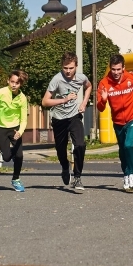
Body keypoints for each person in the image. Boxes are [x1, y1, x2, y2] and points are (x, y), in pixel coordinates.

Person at [96, 54, 133, 190]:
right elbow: (100, 108)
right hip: (118, 121)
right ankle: (126, 174)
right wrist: (103, 100)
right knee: (122, 149)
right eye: (113, 69)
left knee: (128, 145)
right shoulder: (104, 84)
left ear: (123, 68)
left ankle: (132, 174)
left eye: (119, 69)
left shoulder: (131, 77)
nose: (116, 72)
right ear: (110, 68)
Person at [41, 52, 92, 191]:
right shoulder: (56, 79)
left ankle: (77, 177)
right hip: (59, 119)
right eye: (65, 68)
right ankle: (65, 166)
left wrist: (84, 103)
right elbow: (45, 101)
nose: (68, 71)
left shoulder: (81, 78)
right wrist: (64, 99)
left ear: (76, 66)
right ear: (61, 66)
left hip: (74, 116)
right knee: (60, 149)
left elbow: (89, 86)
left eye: (71, 68)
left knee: (80, 145)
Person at [0, 70, 28, 192]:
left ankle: (16, 179)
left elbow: (24, 119)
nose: (14, 85)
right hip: (1, 126)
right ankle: (7, 152)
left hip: (15, 128)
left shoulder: (23, 98)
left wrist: (20, 131)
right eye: (12, 82)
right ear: (8, 81)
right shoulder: (0, 93)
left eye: (17, 83)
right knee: (7, 157)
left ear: (21, 84)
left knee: (19, 155)